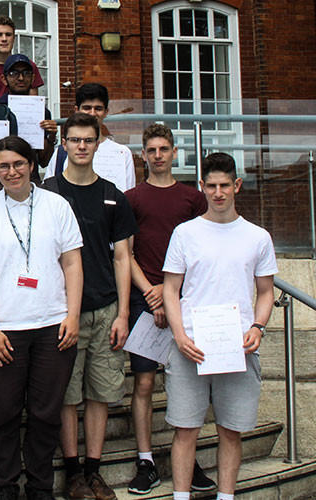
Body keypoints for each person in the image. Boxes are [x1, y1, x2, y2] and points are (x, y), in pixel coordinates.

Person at [0, 135, 83, 500]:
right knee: (3, 415)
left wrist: (73, 315)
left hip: (54, 325)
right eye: (3, 165)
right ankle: (6, 487)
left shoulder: (56, 205)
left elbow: (72, 264)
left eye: (18, 163)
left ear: (31, 164)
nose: (12, 171)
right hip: (7, 330)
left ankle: (40, 487)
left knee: (46, 414)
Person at [163, 152, 277, 500]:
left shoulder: (257, 237)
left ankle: (226, 496)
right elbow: (170, 288)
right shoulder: (186, 233)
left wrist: (257, 327)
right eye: (211, 186)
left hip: (237, 348)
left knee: (231, 431)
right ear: (201, 187)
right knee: (186, 430)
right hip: (191, 347)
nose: (218, 193)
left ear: (236, 185)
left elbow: (266, 291)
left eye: (224, 185)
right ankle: (181, 496)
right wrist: (179, 335)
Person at [41, 112, 136, 500]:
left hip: (105, 308)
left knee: (100, 393)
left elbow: (123, 258)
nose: (81, 146)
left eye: (88, 140)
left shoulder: (114, 194)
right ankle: (73, 472)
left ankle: (94, 471)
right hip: (62, 311)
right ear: (63, 144)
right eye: (74, 140)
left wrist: (125, 314)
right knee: (66, 395)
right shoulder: (46, 191)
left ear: (98, 144)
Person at [124, 124, 214, 495]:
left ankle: (187, 458)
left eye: (164, 149)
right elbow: (124, 253)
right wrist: (151, 292)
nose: (158, 155)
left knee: (186, 383)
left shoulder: (193, 198)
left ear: (175, 153)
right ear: (143, 155)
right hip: (142, 299)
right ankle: (145, 460)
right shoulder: (131, 198)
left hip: (185, 301)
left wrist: (169, 292)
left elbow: (202, 252)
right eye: (151, 149)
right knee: (144, 382)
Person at [44, 83, 136, 192]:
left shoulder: (123, 153)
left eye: (98, 108)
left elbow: (129, 195)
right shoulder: (62, 153)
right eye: (87, 108)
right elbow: (48, 194)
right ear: (76, 110)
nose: (92, 113)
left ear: (106, 112)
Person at [0, 53, 56, 167]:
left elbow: (44, 162)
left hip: (31, 176)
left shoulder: (42, 112)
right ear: (4, 79)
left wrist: (51, 137)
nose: (21, 78)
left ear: (33, 78)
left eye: (26, 73)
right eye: (14, 73)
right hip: (2, 176)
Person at [0, 16, 43, 101]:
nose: (4, 39)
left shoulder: (29, 66)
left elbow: (33, 104)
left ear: (14, 38)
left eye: (8, 35)